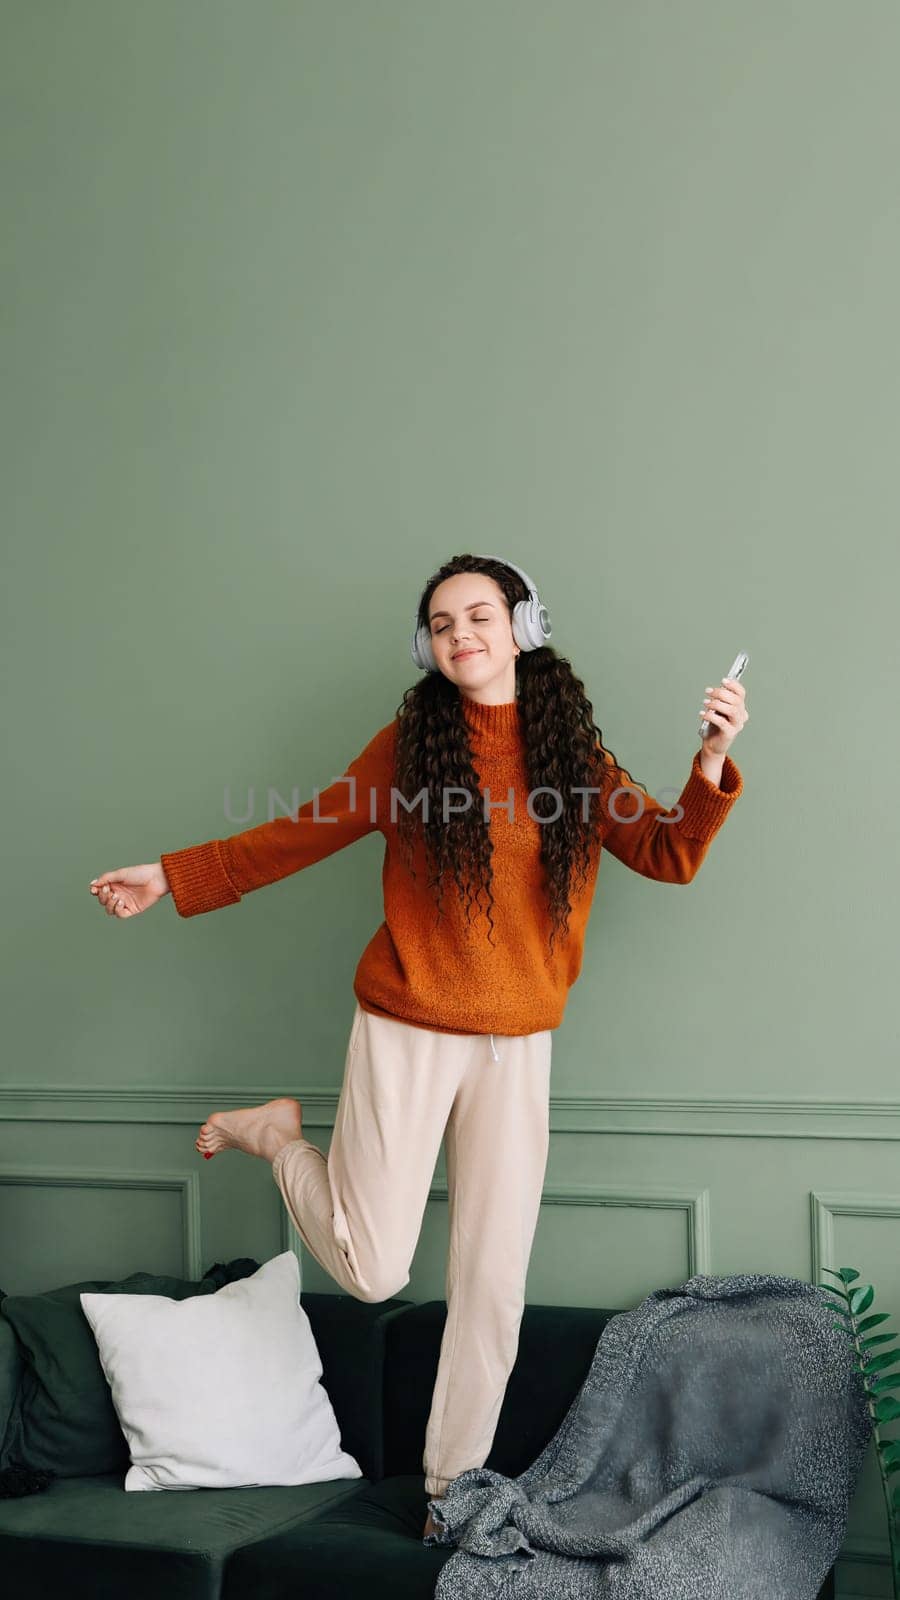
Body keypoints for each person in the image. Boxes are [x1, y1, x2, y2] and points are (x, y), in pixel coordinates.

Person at [88, 552, 748, 1541]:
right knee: (371, 1265)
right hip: (407, 1026)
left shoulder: (571, 752)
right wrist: (170, 876)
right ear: (428, 647)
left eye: (479, 614)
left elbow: (669, 851)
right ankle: (278, 1137)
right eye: (441, 623)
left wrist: (707, 761)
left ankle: (452, 1495)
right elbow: (297, 832)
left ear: (524, 625)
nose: (461, 633)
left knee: (493, 1287)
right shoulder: (411, 750)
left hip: (518, 1047)